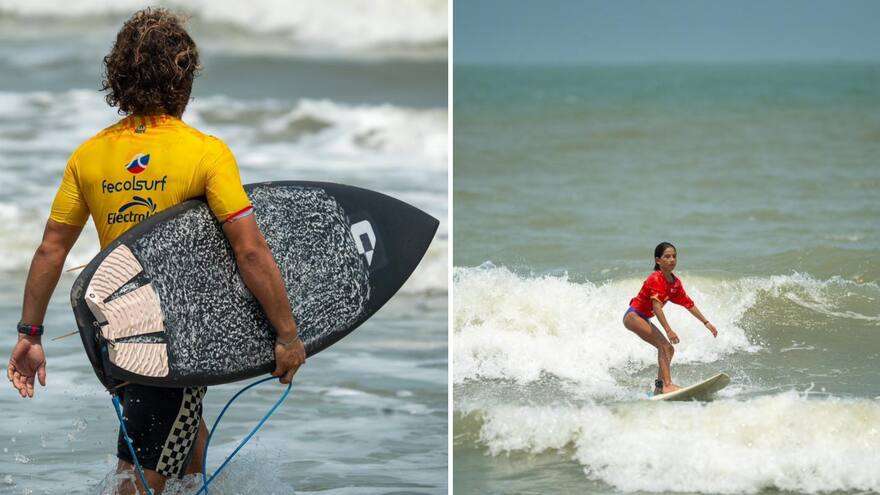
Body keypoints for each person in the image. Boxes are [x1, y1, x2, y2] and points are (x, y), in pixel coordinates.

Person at [5, 8, 306, 494]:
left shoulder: (89, 155)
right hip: (174, 340)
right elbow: (249, 252)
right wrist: (288, 334)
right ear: (184, 79)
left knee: (180, 438)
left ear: (118, 79)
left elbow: (50, 250)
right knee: (142, 472)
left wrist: (30, 333)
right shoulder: (205, 152)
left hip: (111, 333)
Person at [622, 242, 718, 395]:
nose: (672, 259)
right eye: (667, 256)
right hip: (633, 316)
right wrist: (668, 330)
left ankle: (659, 387)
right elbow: (656, 307)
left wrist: (706, 322)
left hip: (643, 317)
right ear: (658, 260)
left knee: (669, 349)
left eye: (674, 256)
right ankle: (667, 385)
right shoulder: (656, 279)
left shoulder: (675, 283)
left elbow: (689, 304)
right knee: (664, 346)